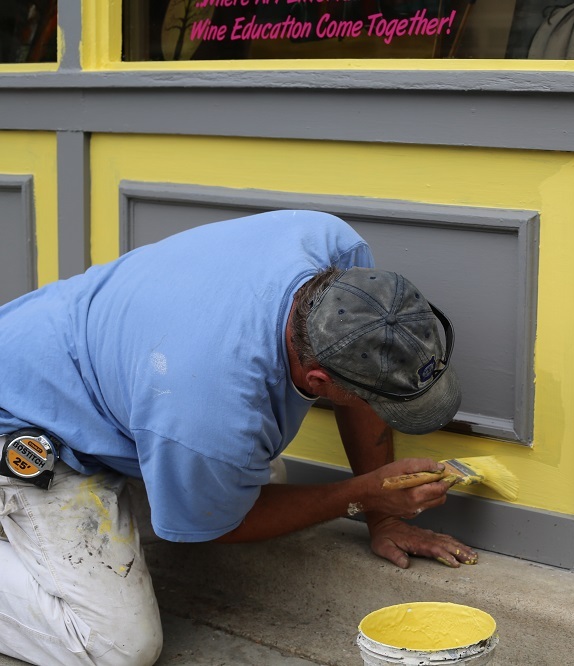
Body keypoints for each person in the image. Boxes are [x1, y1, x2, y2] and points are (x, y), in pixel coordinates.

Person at [0, 209, 477, 666]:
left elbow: (363, 380)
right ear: (318, 383)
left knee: (253, 474)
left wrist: (383, 516)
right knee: (119, 647)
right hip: (25, 422)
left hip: (84, 365)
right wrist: (362, 496)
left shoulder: (333, 250)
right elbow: (223, 526)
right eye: (380, 402)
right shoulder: (207, 413)